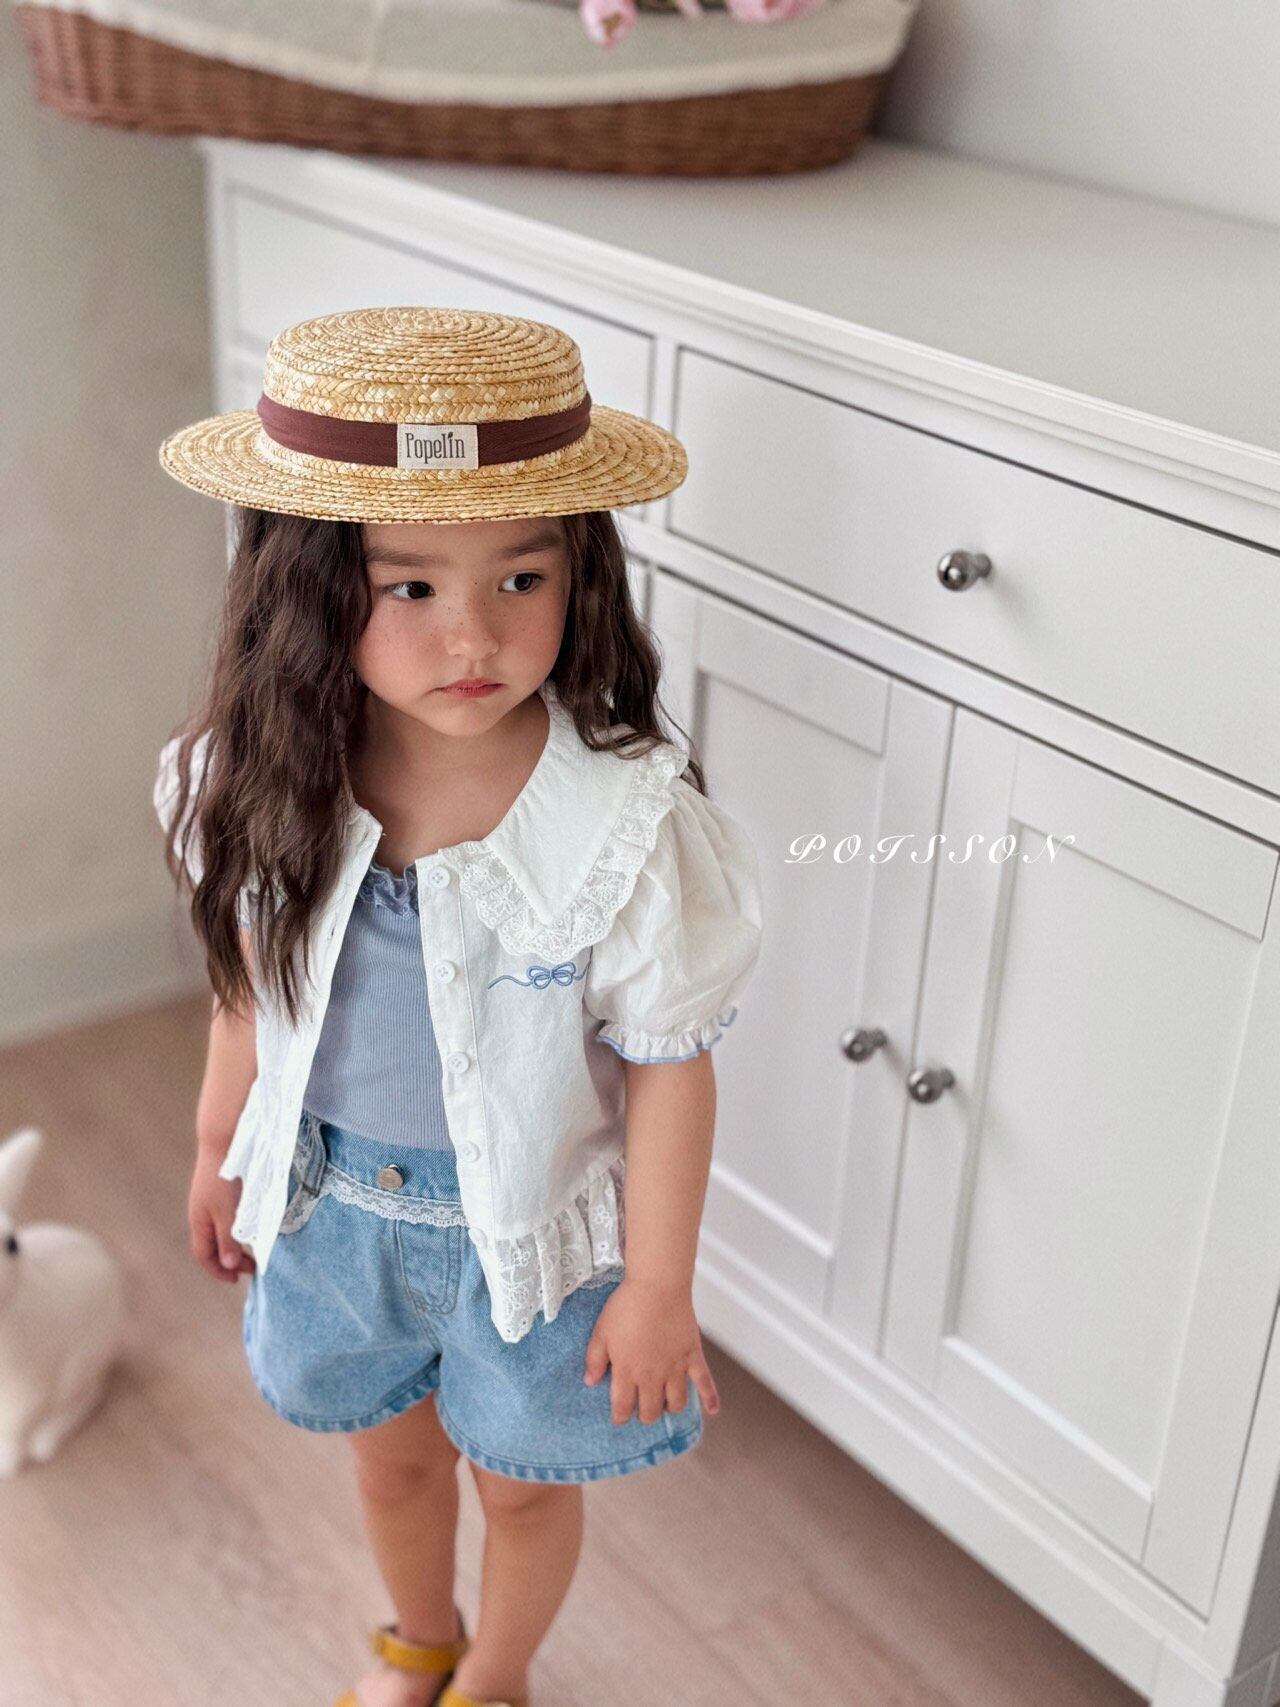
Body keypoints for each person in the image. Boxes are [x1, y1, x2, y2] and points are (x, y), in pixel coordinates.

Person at [152, 306, 763, 1707]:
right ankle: (419, 1638)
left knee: (527, 1488)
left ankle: (494, 1676)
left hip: (533, 1243)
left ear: (580, 572)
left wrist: (660, 1286)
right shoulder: (262, 778)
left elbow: (670, 1063)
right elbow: (251, 983)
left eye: (522, 577)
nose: (473, 634)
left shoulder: (619, 823)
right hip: (332, 1213)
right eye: (410, 587)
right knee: (391, 1460)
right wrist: (216, 1144)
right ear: (308, 591)